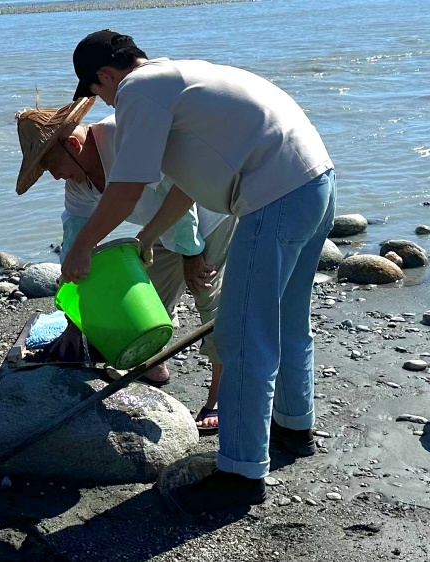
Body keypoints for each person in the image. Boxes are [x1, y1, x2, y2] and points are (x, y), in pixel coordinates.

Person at [61, 30, 336, 512]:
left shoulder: (138, 90)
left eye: (97, 91)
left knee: (242, 334)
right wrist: (147, 237)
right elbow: (184, 186)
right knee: (288, 321)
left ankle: (241, 473)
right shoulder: (181, 79)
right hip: (315, 180)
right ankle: (295, 427)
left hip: (274, 196)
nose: (104, 103)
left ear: (105, 75)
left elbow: (127, 188)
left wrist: (81, 250)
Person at [15, 97, 234, 433]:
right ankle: (153, 363)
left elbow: (184, 189)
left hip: (209, 210)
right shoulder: (79, 181)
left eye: (51, 166)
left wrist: (192, 256)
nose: (56, 177)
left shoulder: (125, 138)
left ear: (72, 145)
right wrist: (74, 317)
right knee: (146, 298)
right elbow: (76, 245)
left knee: (209, 300)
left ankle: (222, 396)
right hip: (160, 225)